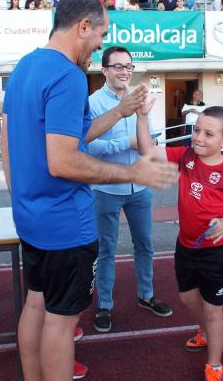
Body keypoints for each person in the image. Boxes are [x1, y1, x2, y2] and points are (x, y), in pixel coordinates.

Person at [0, 0, 178, 381]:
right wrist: (134, 173)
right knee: (61, 323)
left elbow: (11, 134)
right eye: (100, 34)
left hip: (32, 218)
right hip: (66, 225)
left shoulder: (26, 66)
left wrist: (119, 111)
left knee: (34, 306)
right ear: (83, 27)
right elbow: (63, 160)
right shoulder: (68, 75)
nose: (99, 46)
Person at [136, 103, 223, 381]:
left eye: (208, 134)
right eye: (196, 130)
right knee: (188, 298)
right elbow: (148, 151)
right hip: (187, 245)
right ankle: (205, 332)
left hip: (217, 252)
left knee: (214, 309)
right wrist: (141, 117)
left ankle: (214, 364)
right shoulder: (187, 156)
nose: (199, 138)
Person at [88, 46, 173, 334]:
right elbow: (88, 145)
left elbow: (147, 139)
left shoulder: (141, 99)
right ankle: (105, 305)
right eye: (118, 66)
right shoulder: (94, 103)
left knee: (145, 244)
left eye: (129, 66)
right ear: (105, 70)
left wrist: (144, 136)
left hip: (140, 187)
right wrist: (126, 143)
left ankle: (146, 295)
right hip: (107, 188)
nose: (125, 71)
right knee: (107, 249)